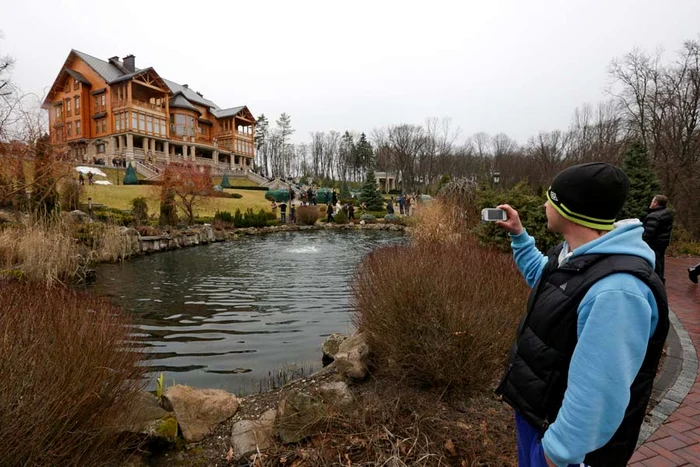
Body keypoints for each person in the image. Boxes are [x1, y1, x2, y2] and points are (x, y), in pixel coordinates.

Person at [494, 162, 669, 467]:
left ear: (570, 210)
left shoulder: (617, 291)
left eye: (552, 198)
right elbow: (545, 279)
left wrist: (555, 454)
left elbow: (598, 393)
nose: (545, 204)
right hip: (541, 420)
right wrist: (519, 236)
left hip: (564, 451)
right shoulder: (575, 255)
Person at [643, 194, 674, 283]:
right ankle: (660, 281)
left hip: (654, 245)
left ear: (656, 203)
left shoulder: (654, 217)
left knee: (655, 265)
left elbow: (648, 234)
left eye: (652, 201)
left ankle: (656, 283)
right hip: (662, 243)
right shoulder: (667, 213)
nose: (651, 202)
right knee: (660, 263)